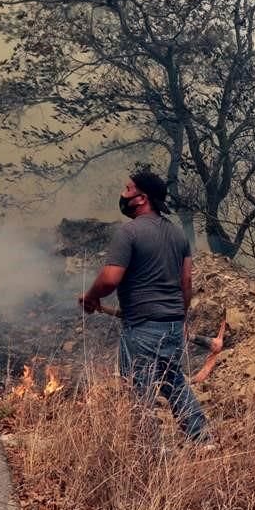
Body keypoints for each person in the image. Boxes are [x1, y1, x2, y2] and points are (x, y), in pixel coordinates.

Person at [79, 168, 208, 442]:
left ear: (141, 198)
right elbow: (186, 283)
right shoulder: (178, 236)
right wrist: (180, 320)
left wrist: (91, 297)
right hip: (172, 324)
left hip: (142, 328)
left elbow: (110, 278)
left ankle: (151, 457)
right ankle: (203, 441)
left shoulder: (129, 232)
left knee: (140, 392)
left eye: (128, 189)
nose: (123, 195)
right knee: (173, 382)